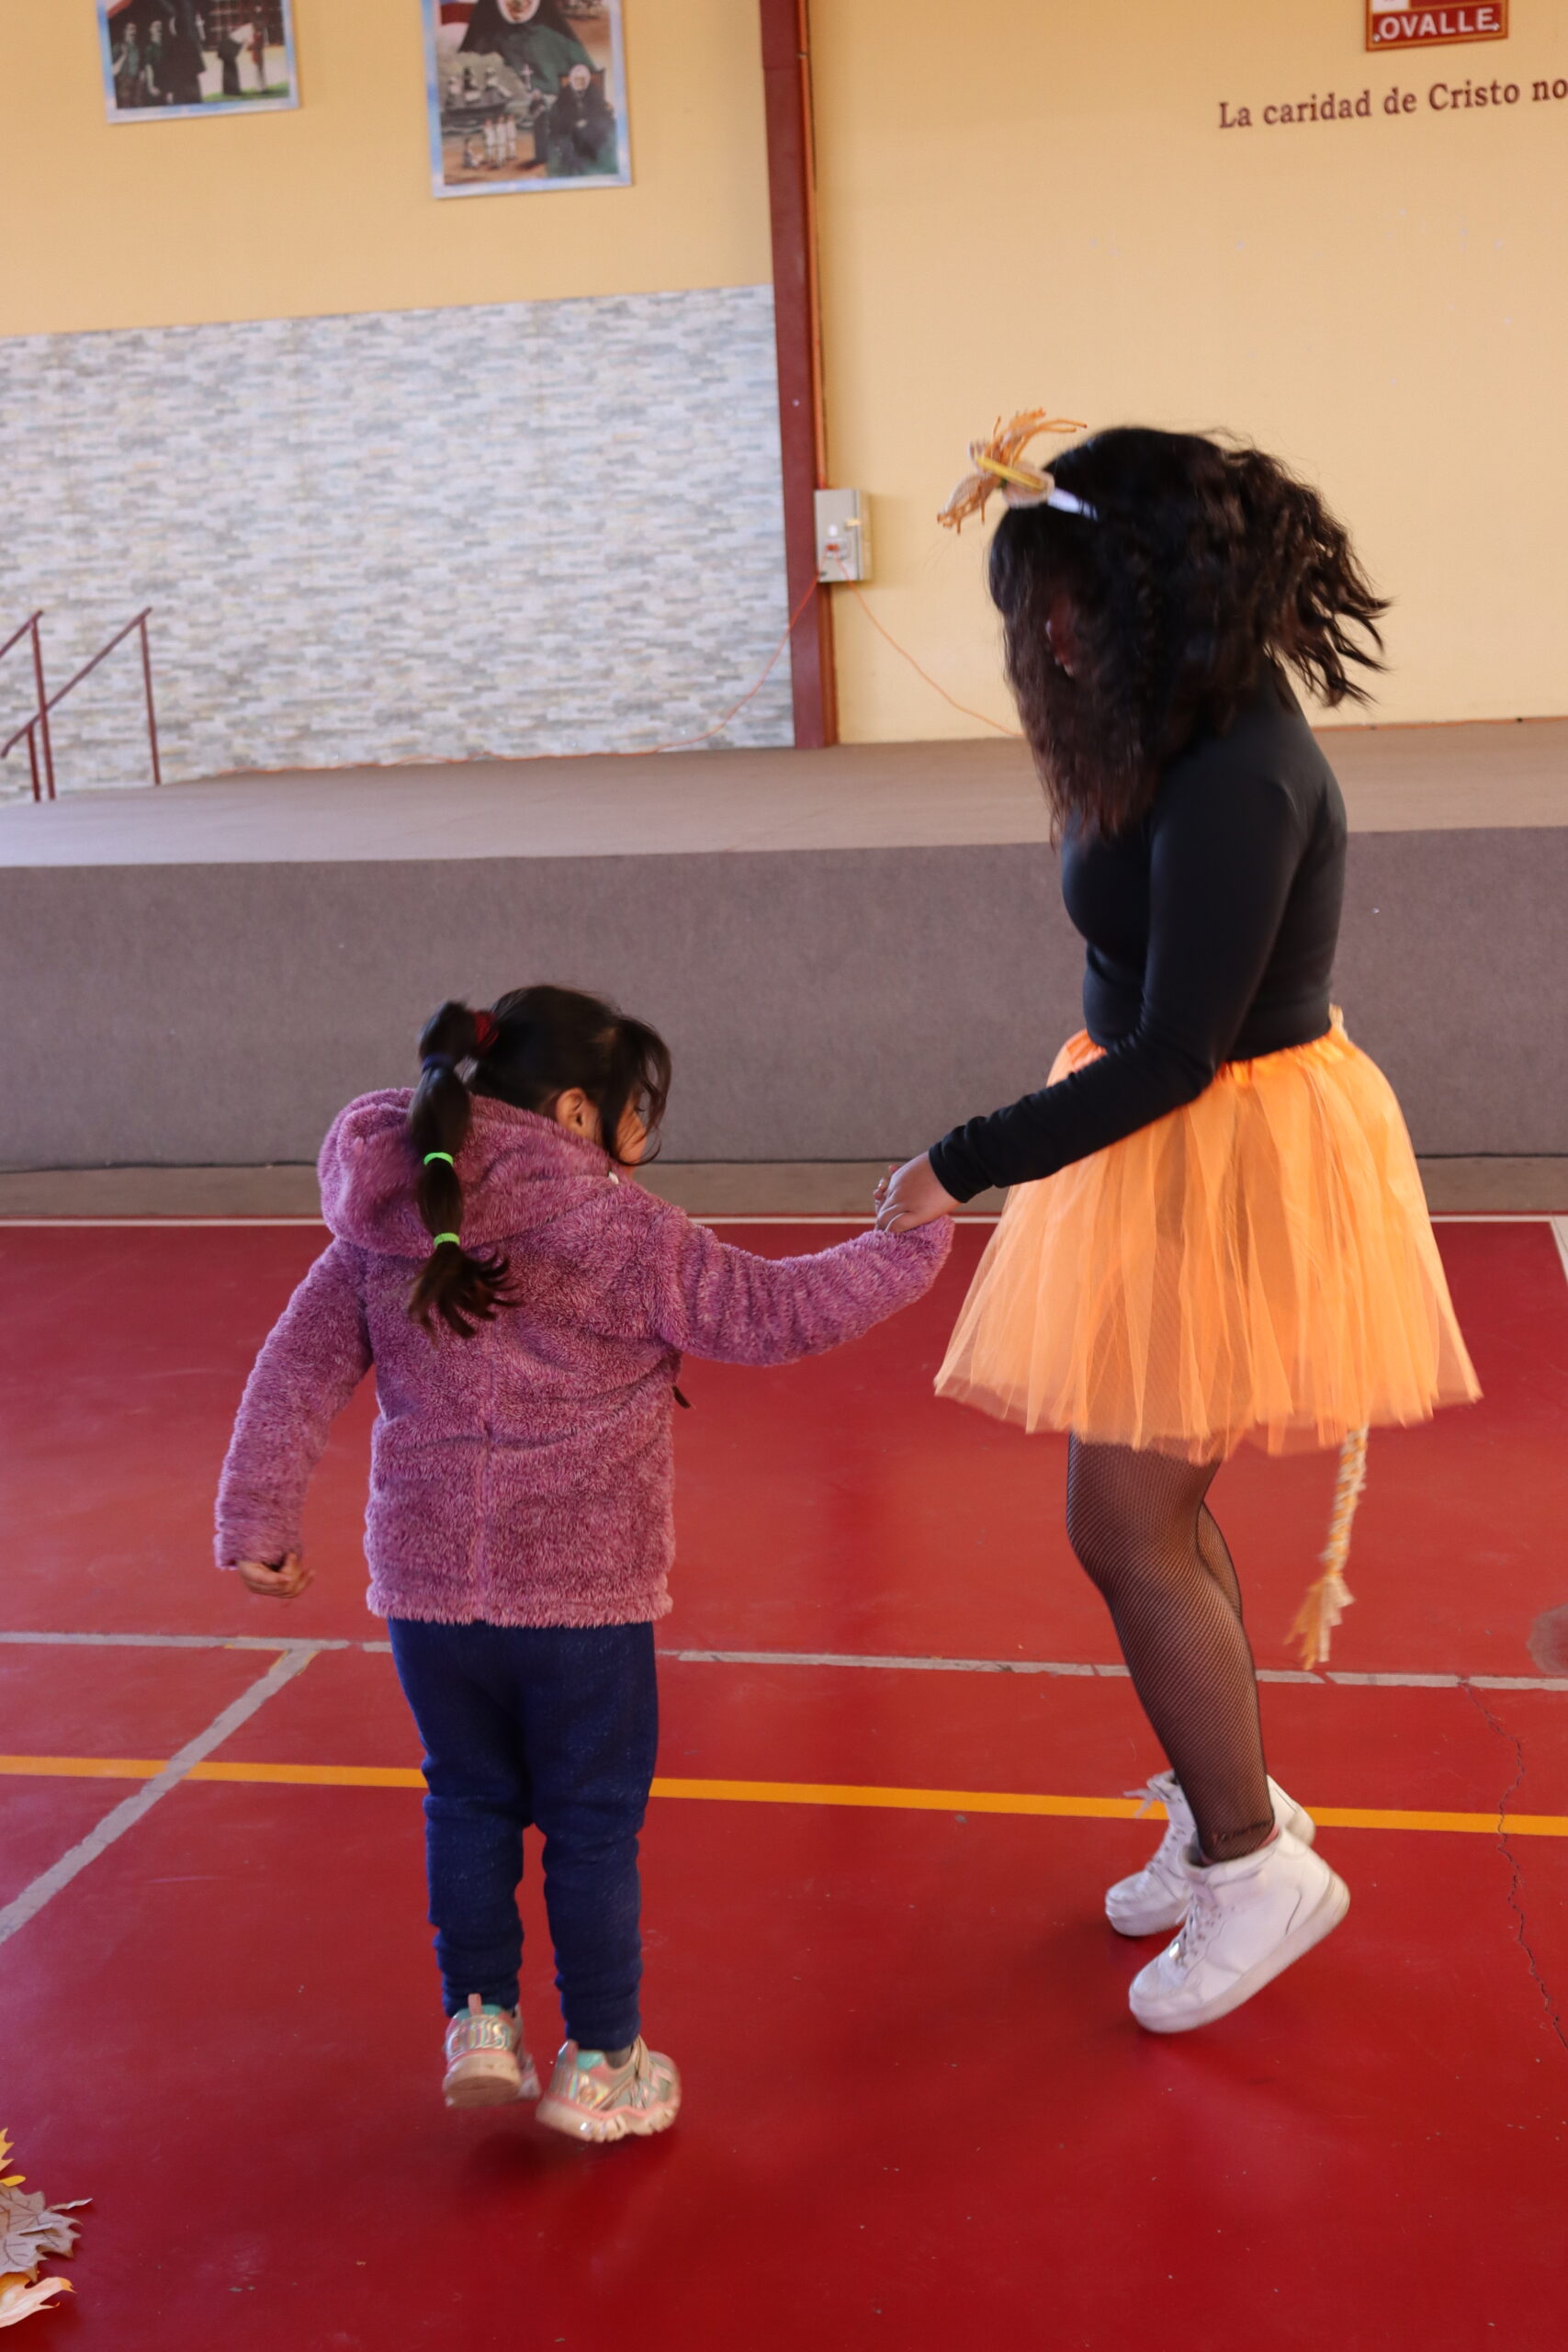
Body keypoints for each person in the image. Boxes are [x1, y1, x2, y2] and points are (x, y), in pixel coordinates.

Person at [875, 422, 1478, 2035]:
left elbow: (1173, 1055)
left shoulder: (1239, 775)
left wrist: (958, 1162)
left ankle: (1251, 1867)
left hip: (1221, 1151)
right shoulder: (1167, 726)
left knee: (1122, 1527)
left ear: (1139, 592)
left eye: (1058, 602)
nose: (1043, 638)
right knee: (1147, 1511)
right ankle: (1238, 1806)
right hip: (1168, 1145)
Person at [217, 985, 950, 2142]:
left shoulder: (386, 1217)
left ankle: (481, 2022)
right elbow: (775, 1311)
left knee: (466, 1796)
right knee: (592, 1825)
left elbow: (292, 1373)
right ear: (573, 1111)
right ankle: (604, 2060)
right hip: (583, 1598)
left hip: (428, 1596)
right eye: (634, 1107)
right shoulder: (625, 1232)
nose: (642, 1131)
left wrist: (257, 1513)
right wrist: (912, 1245)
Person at [543, 59, 616, 177]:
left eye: (583, 79)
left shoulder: (594, 91)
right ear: (572, 80)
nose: (580, 82)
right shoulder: (564, 94)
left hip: (591, 130)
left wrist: (587, 121)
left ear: (587, 80)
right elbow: (557, 116)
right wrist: (574, 123)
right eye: (577, 79)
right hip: (569, 131)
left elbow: (601, 111)